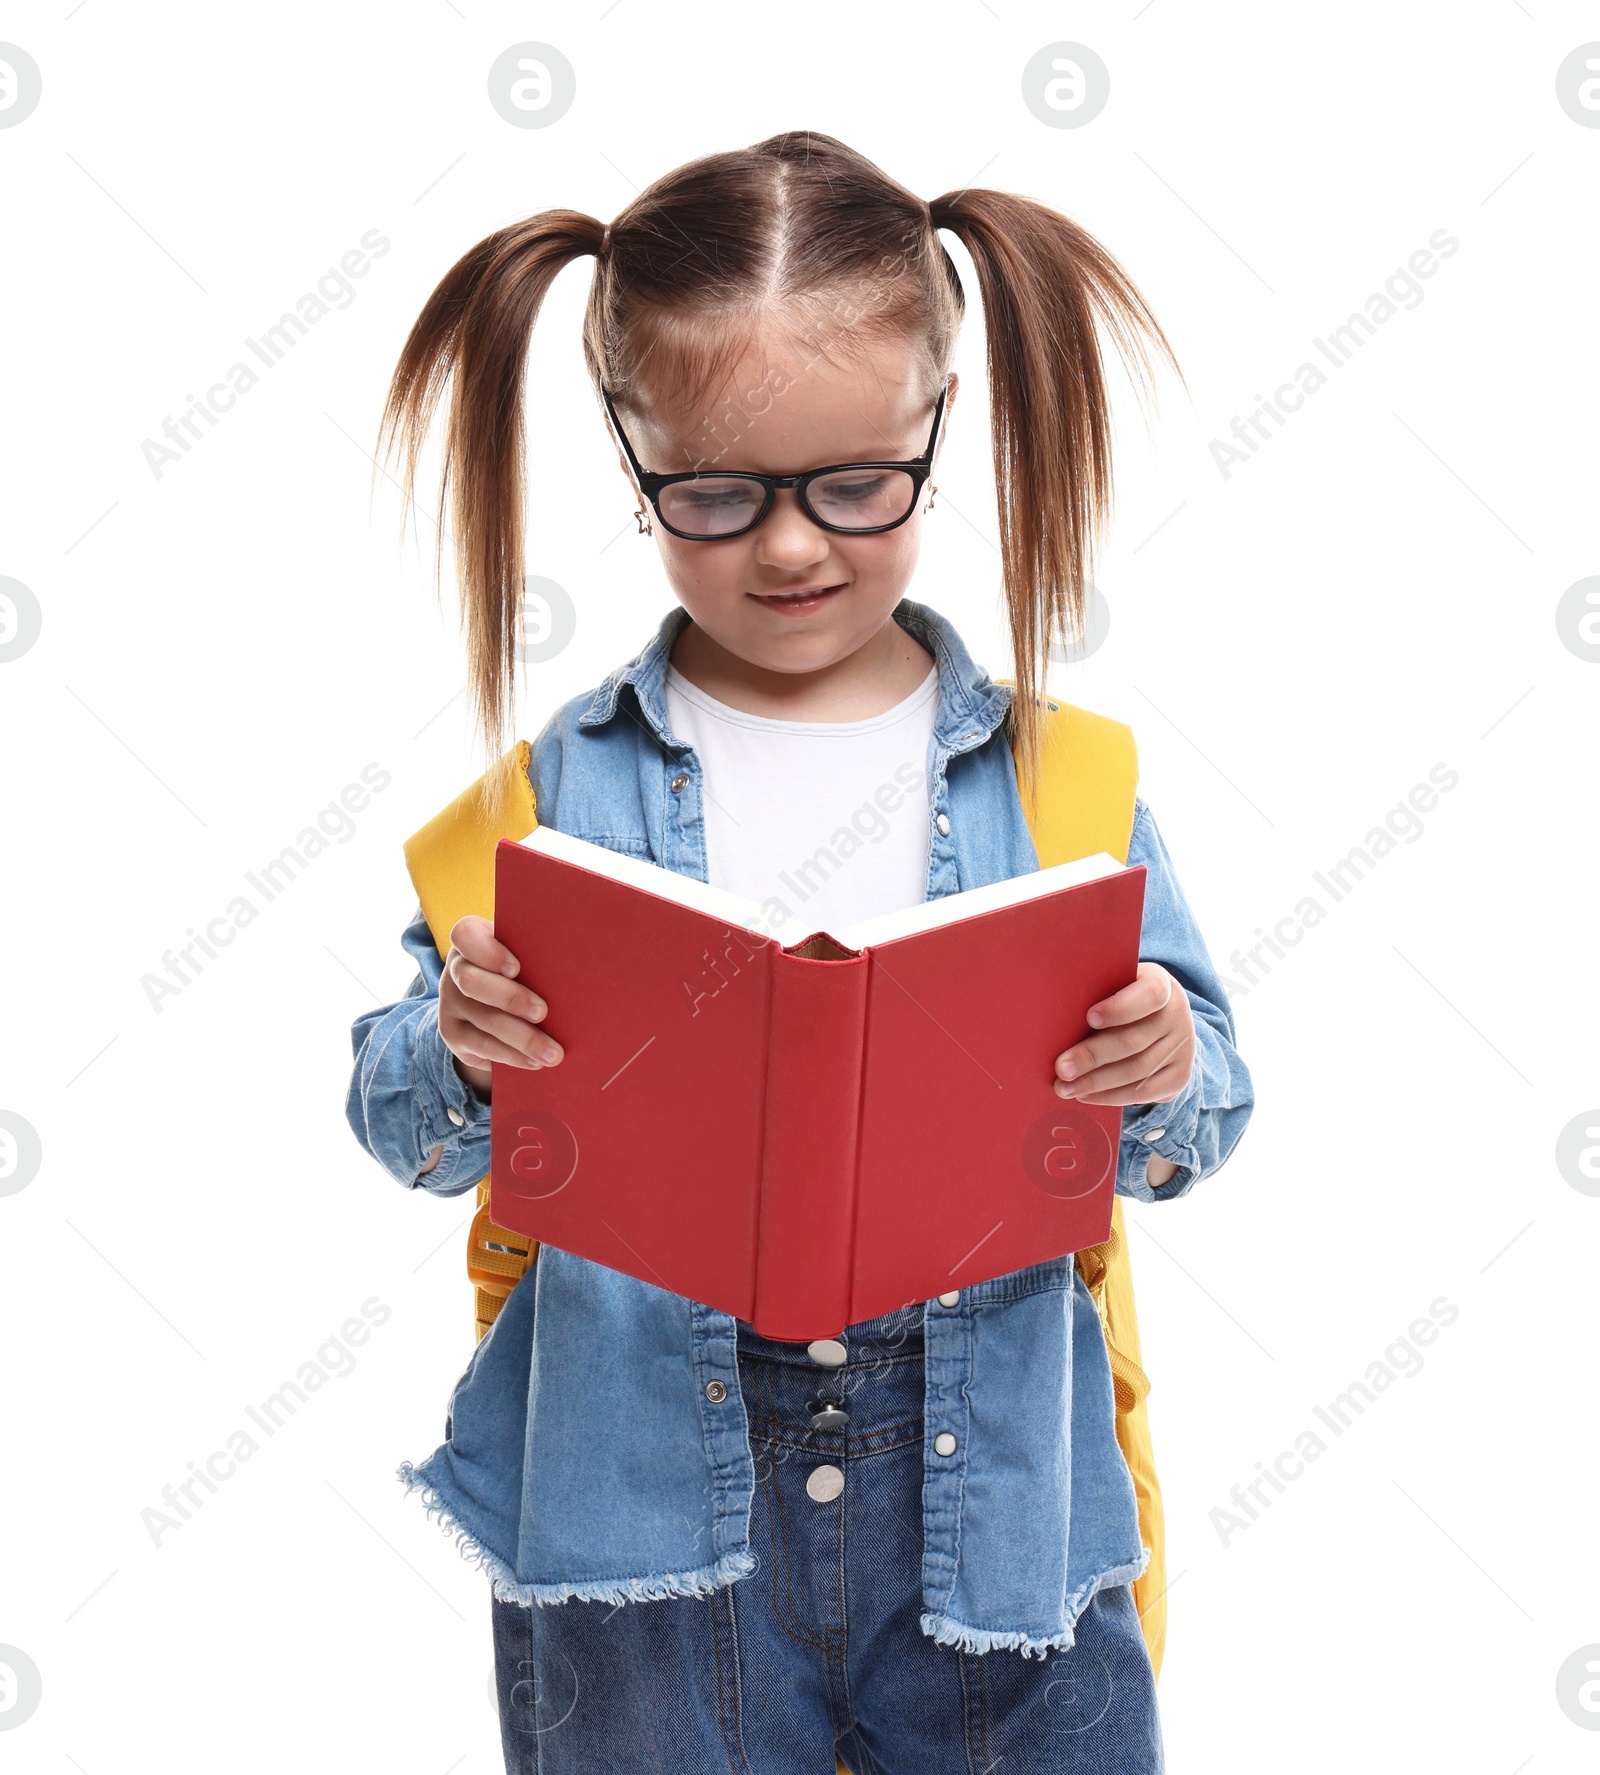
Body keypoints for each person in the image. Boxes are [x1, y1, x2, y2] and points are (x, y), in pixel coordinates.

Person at [346, 130, 1254, 1774]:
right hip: (639, 1503)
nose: (788, 547)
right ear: (634, 458)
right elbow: (400, 1123)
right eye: (713, 492)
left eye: (856, 484)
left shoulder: (1065, 777)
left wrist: (1166, 1063)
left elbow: (1207, 1120)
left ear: (937, 431)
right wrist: (460, 1046)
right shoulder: (554, 789)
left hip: (1001, 1511)